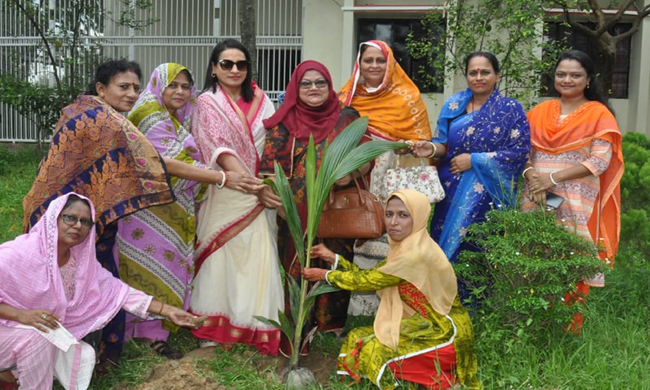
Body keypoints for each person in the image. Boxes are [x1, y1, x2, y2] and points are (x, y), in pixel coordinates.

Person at [22, 60, 175, 368]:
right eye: (123, 87)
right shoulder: (106, 121)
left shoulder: (77, 111)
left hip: (57, 214)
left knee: (73, 283)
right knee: (93, 283)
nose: (132, 93)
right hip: (77, 220)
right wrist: (219, 177)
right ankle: (100, 359)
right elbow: (151, 159)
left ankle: (69, 358)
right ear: (102, 89)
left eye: (136, 87)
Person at [115, 63, 260, 359]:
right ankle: (135, 333)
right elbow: (167, 162)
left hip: (174, 210)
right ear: (158, 86)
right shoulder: (148, 115)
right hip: (147, 211)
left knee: (168, 268)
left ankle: (157, 332)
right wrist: (221, 177)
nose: (180, 91)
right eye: (173, 85)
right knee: (145, 267)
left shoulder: (177, 119)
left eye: (185, 86)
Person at [0, 193, 199, 390]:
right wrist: (20, 315)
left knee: (66, 346)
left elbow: (120, 293)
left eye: (85, 222)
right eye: (70, 218)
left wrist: (168, 311)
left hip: (27, 335)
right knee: (40, 337)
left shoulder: (80, 263)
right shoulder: (17, 253)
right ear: (53, 218)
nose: (78, 225)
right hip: (12, 332)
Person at [302, 189, 482, 390]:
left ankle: (435, 380)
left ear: (420, 217)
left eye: (403, 215)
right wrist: (333, 259)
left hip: (444, 334)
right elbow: (371, 277)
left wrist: (323, 275)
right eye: (389, 214)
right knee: (357, 337)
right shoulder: (407, 247)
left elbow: (368, 281)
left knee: (373, 349)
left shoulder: (414, 254)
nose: (393, 222)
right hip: (422, 326)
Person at [189, 39, 284, 355]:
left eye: (241, 64)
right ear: (214, 69)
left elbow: (273, 142)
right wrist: (243, 181)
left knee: (259, 257)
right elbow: (214, 144)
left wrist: (265, 184)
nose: (234, 70)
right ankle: (212, 326)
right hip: (226, 187)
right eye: (226, 64)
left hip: (260, 190)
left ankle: (256, 326)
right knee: (220, 257)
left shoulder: (261, 99)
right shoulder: (206, 102)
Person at [521, 50, 623, 329]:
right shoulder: (539, 112)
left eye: (575, 75)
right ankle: (531, 326)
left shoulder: (599, 114)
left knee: (570, 258)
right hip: (536, 197)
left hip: (574, 202)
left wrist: (552, 178)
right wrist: (533, 178)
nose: (567, 79)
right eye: (561, 74)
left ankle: (567, 329)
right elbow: (521, 152)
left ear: (588, 79)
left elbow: (599, 161)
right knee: (531, 254)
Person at [261, 60, 362, 338]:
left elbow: (367, 155)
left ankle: (331, 324)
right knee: (297, 262)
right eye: (306, 83)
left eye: (321, 83)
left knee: (335, 256)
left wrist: (351, 170)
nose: (313, 88)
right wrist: (280, 202)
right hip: (294, 209)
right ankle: (299, 322)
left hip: (334, 206)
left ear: (330, 86)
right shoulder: (283, 120)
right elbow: (268, 166)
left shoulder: (347, 118)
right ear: (296, 87)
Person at [338, 40, 433, 315]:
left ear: (390, 63)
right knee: (357, 229)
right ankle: (359, 310)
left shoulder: (407, 97)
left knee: (392, 234)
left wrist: (398, 144)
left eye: (381, 60)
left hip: (393, 176)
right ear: (359, 64)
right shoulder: (348, 95)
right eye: (368, 60)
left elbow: (422, 141)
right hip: (355, 176)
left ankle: (399, 305)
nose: (374, 66)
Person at [412, 52, 530, 271]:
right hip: (450, 191)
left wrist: (475, 160)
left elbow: (519, 152)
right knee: (445, 249)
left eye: (485, 72)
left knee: (479, 252)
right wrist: (430, 148)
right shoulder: (454, 106)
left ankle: (477, 304)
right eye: (472, 72)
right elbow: (442, 146)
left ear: (497, 75)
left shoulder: (510, 109)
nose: (479, 77)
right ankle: (445, 300)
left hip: (488, 197)